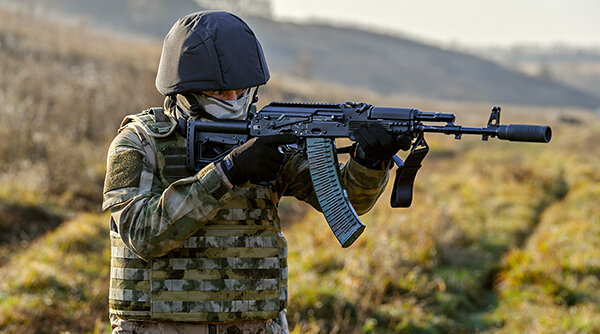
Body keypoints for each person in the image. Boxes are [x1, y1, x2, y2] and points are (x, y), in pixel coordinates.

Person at [103, 10, 404, 334]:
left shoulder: (266, 136)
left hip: (254, 325)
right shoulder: (139, 142)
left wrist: (369, 161)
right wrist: (230, 171)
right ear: (185, 90)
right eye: (220, 92)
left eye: (242, 90)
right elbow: (142, 234)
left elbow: (346, 199)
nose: (234, 100)